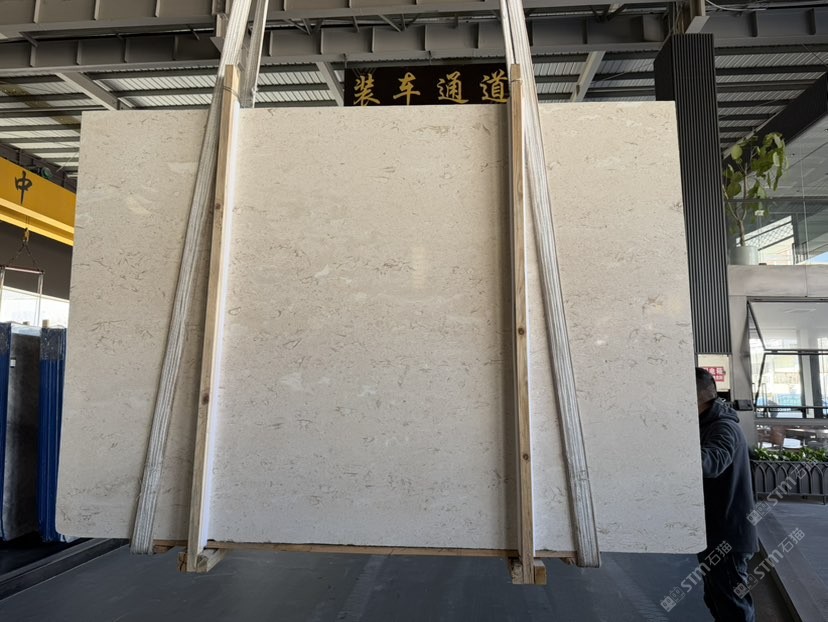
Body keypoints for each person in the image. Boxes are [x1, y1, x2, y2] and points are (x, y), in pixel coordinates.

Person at [696, 367, 758, 622]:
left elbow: (712, 462)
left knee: (733, 607)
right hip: (718, 532)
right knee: (719, 601)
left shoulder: (723, 427)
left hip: (728, 537)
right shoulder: (711, 424)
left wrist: (674, 450)